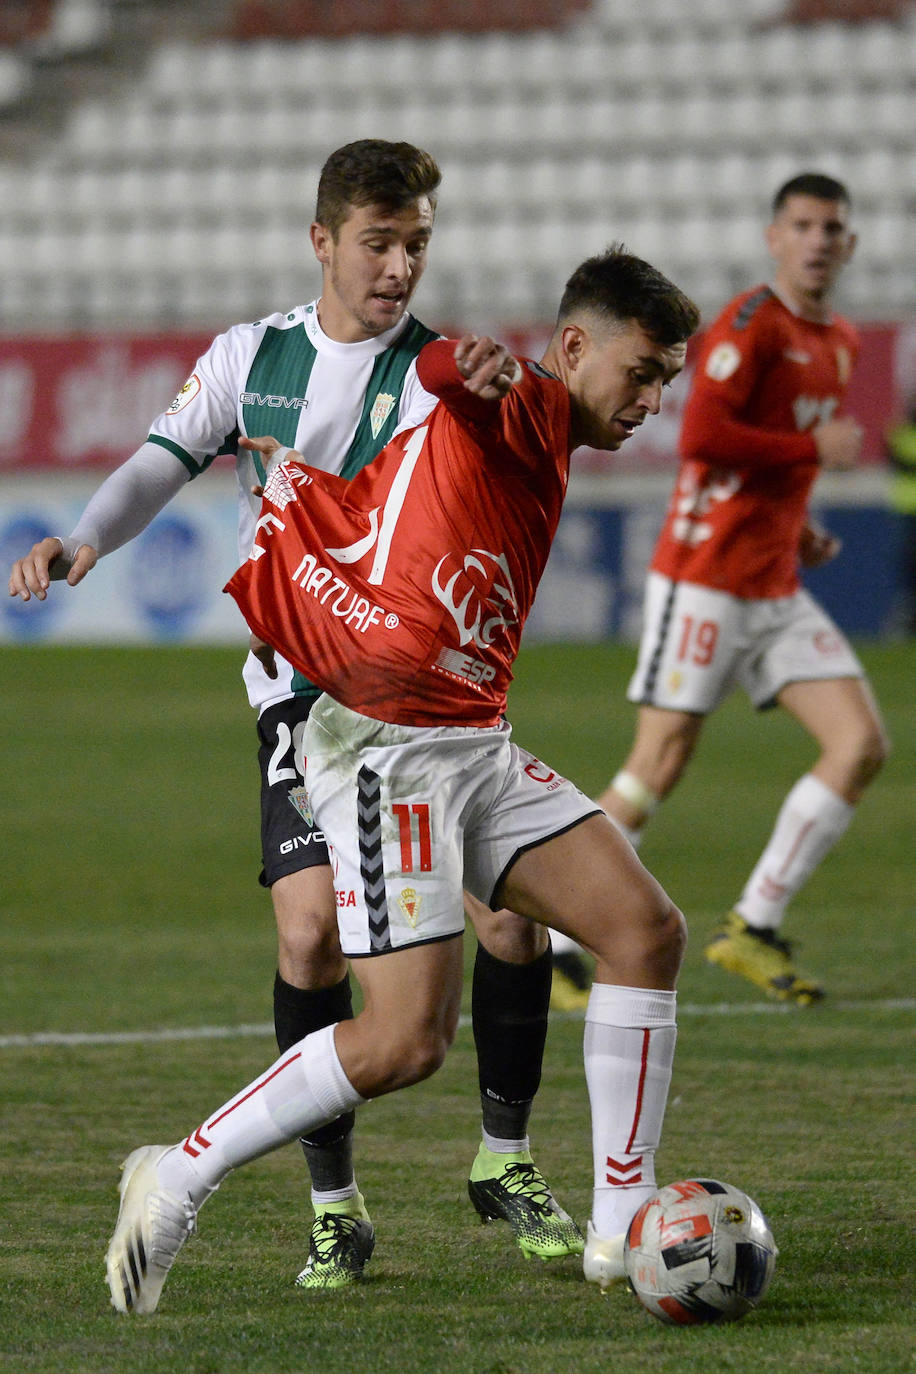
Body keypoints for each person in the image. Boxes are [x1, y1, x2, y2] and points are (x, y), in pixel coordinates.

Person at [7, 139, 586, 1285]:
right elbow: (159, 462)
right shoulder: (249, 358)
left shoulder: (438, 375)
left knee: (516, 925)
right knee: (309, 938)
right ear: (322, 242)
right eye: (377, 243)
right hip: (297, 701)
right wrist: (82, 539)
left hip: (419, 710)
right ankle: (335, 1202)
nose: (399, 266)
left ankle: (504, 1159)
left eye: (416, 243)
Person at [102, 246, 700, 1315]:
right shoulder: (512, 402)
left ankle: (625, 1230)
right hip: (386, 748)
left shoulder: (554, 431)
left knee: (644, 930)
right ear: (571, 349)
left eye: (666, 382)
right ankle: (178, 1173)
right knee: (402, 1041)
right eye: (643, 371)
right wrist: (463, 371)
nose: (653, 400)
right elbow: (442, 388)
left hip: (472, 737)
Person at [598, 172, 890, 1004]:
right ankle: (551, 941)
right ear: (775, 237)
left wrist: (798, 528)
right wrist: (809, 457)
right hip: (705, 580)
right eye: (803, 224)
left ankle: (752, 925)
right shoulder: (751, 324)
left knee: (860, 744)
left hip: (772, 583)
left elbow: (771, 450)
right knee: (657, 763)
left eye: (833, 227)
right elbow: (702, 434)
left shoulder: (841, 340)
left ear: (850, 244)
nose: (818, 240)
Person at [886, 401, 916, 634]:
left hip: (906, 509)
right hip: (908, 509)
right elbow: (898, 460)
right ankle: (907, 617)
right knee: (909, 567)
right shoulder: (902, 434)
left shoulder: (900, 434)